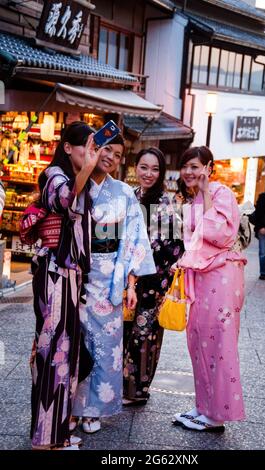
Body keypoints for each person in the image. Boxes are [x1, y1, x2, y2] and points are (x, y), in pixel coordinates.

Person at [20, 121, 99, 450]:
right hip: (55, 272)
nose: (91, 154)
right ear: (68, 147)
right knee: (55, 350)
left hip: (66, 274)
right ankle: (48, 437)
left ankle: (54, 433)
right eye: (87, 147)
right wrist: (88, 171)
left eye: (95, 148)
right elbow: (64, 201)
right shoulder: (55, 175)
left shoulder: (74, 178)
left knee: (63, 351)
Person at [71, 135, 156, 432]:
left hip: (109, 280)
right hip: (76, 277)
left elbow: (134, 239)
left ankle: (93, 410)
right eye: (107, 149)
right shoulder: (75, 185)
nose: (111, 157)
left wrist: (130, 284)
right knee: (74, 344)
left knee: (105, 347)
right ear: (94, 148)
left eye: (118, 155)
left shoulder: (122, 193)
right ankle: (69, 407)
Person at [173, 146, 247, 432]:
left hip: (221, 277)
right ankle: (204, 406)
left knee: (219, 342)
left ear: (208, 167)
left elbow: (218, 234)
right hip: (203, 279)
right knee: (199, 340)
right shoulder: (193, 200)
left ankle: (218, 414)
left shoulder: (221, 193)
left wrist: (204, 194)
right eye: (186, 166)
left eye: (195, 166)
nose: (189, 172)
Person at [123, 147, 184, 405]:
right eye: (144, 167)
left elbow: (175, 246)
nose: (148, 173)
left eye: (155, 169)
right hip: (128, 278)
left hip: (152, 279)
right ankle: (122, 386)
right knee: (126, 331)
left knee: (144, 335)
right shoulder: (130, 196)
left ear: (161, 174)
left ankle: (138, 390)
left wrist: (143, 254)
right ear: (135, 167)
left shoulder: (165, 202)